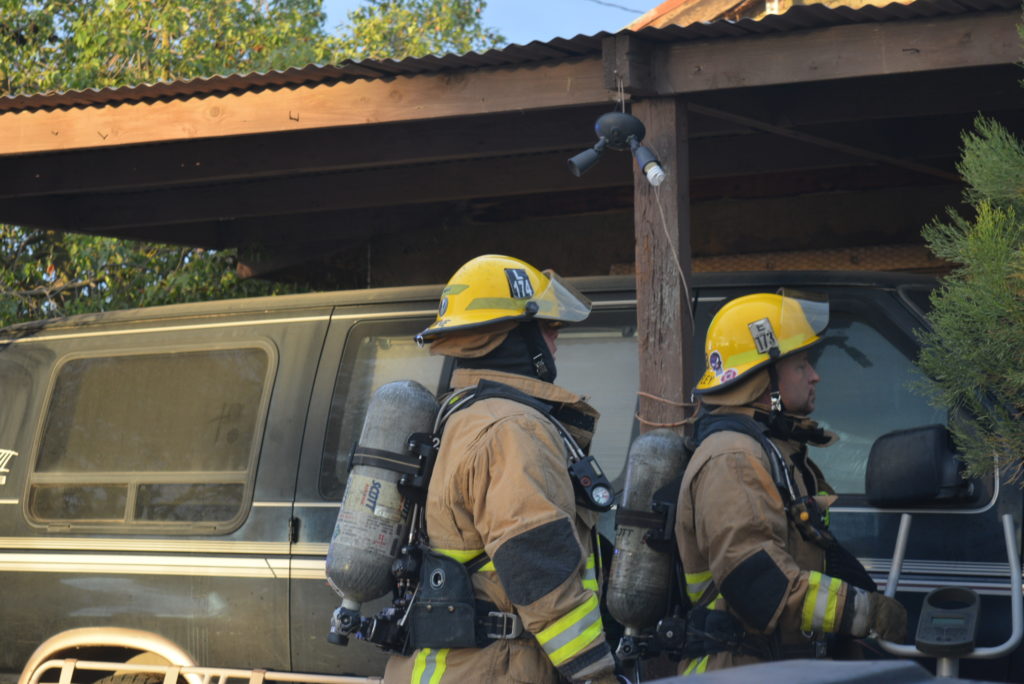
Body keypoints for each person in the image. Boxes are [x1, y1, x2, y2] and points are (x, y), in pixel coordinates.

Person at [383, 254, 618, 684]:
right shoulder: (511, 428)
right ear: (515, 335)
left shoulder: (458, 413)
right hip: (492, 669)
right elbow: (540, 570)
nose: (556, 337)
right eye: (547, 325)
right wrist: (598, 675)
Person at [674, 291, 906, 675]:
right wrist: (865, 611)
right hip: (739, 670)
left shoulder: (773, 451)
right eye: (800, 365)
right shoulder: (734, 459)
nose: (815, 375)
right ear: (764, 379)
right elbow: (762, 588)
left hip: (771, 664)